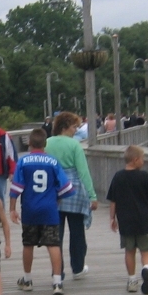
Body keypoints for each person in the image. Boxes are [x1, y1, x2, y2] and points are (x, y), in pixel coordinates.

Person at [9, 129, 74, 295]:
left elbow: (16, 187)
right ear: (45, 144)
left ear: (29, 143)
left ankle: (28, 279)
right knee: (53, 244)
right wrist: (56, 200)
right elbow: (66, 188)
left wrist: (12, 208)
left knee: (28, 244)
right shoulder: (53, 162)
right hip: (50, 209)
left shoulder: (23, 162)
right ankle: (57, 281)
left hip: (30, 209)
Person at [45, 112, 98, 279]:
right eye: (74, 126)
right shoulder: (74, 145)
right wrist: (92, 195)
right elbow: (83, 172)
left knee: (56, 234)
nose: (76, 130)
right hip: (74, 191)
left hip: (54, 191)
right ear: (65, 127)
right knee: (77, 233)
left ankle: (57, 271)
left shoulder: (47, 143)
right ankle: (78, 267)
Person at [107, 146, 148, 294]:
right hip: (144, 219)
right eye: (142, 159)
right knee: (147, 250)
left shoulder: (118, 177)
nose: (143, 162)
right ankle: (146, 268)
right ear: (136, 160)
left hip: (126, 220)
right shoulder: (144, 176)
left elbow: (113, 201)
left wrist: (112, 218)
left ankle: (132, 279)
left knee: (129, 251)